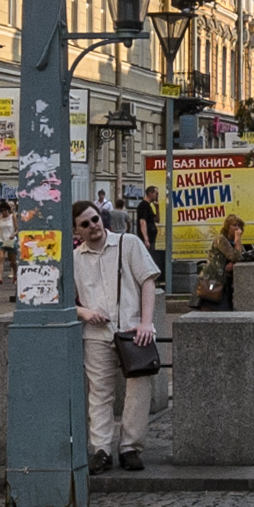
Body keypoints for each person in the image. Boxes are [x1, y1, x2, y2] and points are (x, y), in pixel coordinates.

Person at [71, 200, 165, 474]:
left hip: (133, 331)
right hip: (97, 334)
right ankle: (101, 450)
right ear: (77, 231)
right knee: (99, 393)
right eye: (85, 224)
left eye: (95, 219)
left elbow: (148, 281)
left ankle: (130, 448)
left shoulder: (128, 243)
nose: (93, 226)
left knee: (138, 391)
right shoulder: (75, 259)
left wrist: (146, 322)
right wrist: (84, 313)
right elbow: (62, 299)